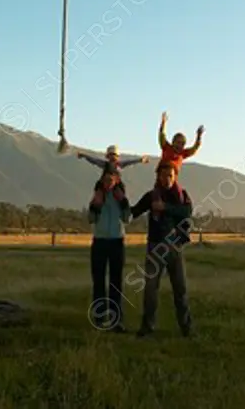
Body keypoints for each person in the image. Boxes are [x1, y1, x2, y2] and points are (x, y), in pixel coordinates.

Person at [83, 146, 148, 333]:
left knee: (115, 282)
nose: (108, 181)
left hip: (117, 241)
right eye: (106, 179)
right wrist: (95, 206)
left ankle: (115, 319)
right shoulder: (98, 196)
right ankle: (99, 316)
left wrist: (124, 203)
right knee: (98, 281)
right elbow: (91, 220)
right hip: (100, 241)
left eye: (111, 179)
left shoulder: (120, 196)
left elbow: (128, 219)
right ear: (102, 180)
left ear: (116, 179)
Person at [131, 163, 194, 337]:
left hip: (175, 246)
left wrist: (165, 208)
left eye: (170, 176)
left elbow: (187, 211)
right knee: (151, 289)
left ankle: (186, 327)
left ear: (175, 177)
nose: (167, 179)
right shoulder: (151, 196)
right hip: (155, 247)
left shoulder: (181, 195)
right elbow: (133, 212)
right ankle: (147, 326)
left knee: (180, 289)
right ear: (158, 176)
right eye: (164, 175)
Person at [157, 111, 204, 177]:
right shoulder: (166, 147)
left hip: (173, 180)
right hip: (161, 178)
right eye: (178, 143)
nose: (179, 146)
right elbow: (161, 135)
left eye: (182, 144)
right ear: (173, 142)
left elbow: (195, 148)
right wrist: (163, 123)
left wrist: (199, 136)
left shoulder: (183, 153)